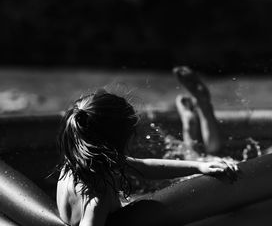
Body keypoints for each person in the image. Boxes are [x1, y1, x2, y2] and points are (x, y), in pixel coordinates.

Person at [56, 88, 237, 226]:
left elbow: (144, 167)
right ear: (119, 140)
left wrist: (199, 167)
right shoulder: (97, 195)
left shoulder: (77, 166)